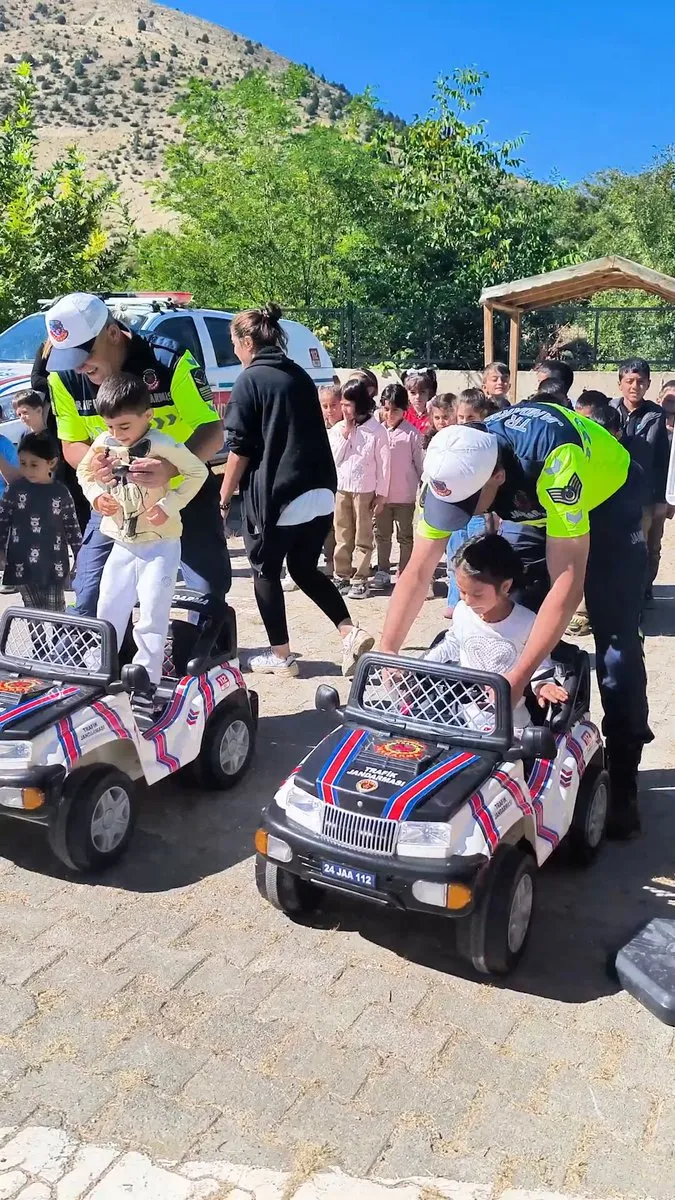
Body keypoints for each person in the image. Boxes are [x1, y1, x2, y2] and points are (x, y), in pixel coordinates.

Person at [381, 406, 652, 839]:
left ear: (498, 478)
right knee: (510, 611)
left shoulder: (554, 461)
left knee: (615, 643)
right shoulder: (452, 460)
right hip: (537, 509)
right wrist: (387, 651)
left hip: (607, 505)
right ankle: (514, 755)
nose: (462, 514)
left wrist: (518, 677)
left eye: (470, 505)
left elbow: (569, 581)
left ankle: (622, 778)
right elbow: (417, 569)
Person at [43, 292, 229, 618]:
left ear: (113, 333)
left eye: (84, 354)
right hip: (118, 497)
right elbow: (71, 444)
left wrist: (169, 469)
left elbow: (212, 432)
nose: (79, 366)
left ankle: (206, 664)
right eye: (68, 356)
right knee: (89, 592)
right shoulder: (63, 376)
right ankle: (105, 662)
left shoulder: (169, 361)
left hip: (184, 491)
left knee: (205, 593)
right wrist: (97, 464)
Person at [220, 304, 374, 678]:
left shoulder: (249, 380)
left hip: (281, 494)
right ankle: (349, 632)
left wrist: (221, 499)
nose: (234, 352)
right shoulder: (299, 375)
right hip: (321, 490)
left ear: (245, 341)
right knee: (304, 568)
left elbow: (239, 448)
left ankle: (281, 656)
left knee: (265, 571)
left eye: (234, 344)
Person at [77, 375, 208, 694]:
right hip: (121, 544)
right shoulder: (104, 444)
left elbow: (197, 472)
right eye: (109, 426)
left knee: (152, 612)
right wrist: (96, 495)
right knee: (108, 608)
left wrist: (170, 504)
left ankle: (147, 683)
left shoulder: (163, 443)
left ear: (147, 416)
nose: (115, 434)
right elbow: (83, 472)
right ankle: (100, 673)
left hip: (160, 547)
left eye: (124, 427)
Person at [426, 534, 567, 730]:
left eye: (476, 594)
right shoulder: (462, 612)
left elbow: (540, 662)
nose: (467, 600)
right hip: (464, 720)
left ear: (505, 586)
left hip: (513, 725)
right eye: (462, 591)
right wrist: (422, 665)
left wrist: (543, 686)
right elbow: (452, 644)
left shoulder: (527, 622)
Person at [0, 431, 82, 612]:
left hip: (53, 565)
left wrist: (80, 557)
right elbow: (3, 521)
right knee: (31, 609)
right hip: (20, 564)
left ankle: (58, 640)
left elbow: (72, 528)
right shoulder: (14, 490)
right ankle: (38, 642)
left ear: (51, 463)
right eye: (22, 464)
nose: (27, 470)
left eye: (34, 464)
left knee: (55, 610)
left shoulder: (61, 493)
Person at [611, 359, 670, 601]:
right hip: (613, 493)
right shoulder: (608, 411)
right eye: (629, 381)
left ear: (648, 384)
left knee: (648, 547)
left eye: (641, 381)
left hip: (646, 494)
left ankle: (643, 589)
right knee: (616, 545)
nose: (635, 386)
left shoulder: (657, 416)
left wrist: (664, 498)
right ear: (620, 384)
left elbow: (664, 460)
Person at [329, 378, 390, 599]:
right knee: (342, 533)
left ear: (361, 404)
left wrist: (381, 495)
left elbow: (384, 465)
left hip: (365, 490)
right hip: (342, 488)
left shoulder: (377, 431)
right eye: (342, 404)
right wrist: (346, 431)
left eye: (348, 404)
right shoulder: (337, 429)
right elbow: (334, 458)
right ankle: (342, 574)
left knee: (363, 535)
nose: (344, 409)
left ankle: (361, 577)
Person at [11, 389, 90, 532]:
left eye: (25, 412)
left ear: (39, 410)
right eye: (19, 414)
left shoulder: (53, 435)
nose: (22, 417)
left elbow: (59, 468)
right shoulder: (24, 437)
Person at [371, 383, 423, 590]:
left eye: (395, 410)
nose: (390, 414)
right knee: (382, 535)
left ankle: (405, 571)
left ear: (405, 410)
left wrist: (423, 487)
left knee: (405, 536)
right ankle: (383, 570)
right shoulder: (376, 432)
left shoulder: (412, 434)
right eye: (386, 409)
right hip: (381, 496)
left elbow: (420, 464)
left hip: (405, 497)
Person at [316, 382, 344, 578]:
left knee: (342, 527)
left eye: (333, 405)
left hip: (344, 485)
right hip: (323, 485)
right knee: (326, 526)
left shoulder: (348, 427)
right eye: (324, 406)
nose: (329, 410)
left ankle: (342, 562)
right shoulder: (317, 428)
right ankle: (329, 560)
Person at [402, 369, 437, 437]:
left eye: (422, 392)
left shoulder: (435, 412)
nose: (418, 396)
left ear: (429, 393)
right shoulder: (403, 412)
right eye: (413, 393)